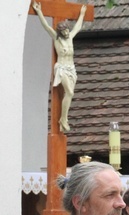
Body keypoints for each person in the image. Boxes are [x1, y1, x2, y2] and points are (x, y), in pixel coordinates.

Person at [33, 1, 87, 134]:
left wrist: (82, 14)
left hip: (71, 69)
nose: (68, 33)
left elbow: (78, 27)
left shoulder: (70, 38)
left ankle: (63, 119)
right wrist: (39, 11)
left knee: (69, 94)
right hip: (62, 68)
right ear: (60, 32)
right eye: (65, 31)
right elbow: (46, 26)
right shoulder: (57, 39)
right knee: (69, 92)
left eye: (68, 30)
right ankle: (63, 119)